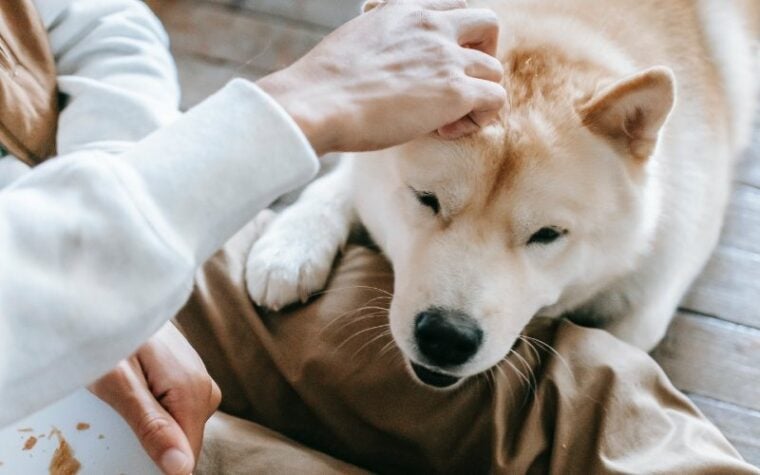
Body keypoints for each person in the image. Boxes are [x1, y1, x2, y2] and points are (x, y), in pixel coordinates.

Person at [0, 0, 504, 473]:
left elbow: (99, 19)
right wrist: (305, 101)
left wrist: (111, 227)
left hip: (96, 207)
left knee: (562, 410)